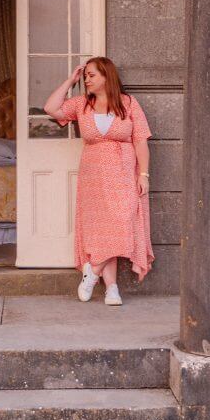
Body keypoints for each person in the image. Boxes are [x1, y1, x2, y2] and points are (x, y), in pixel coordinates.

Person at [43, 57, 154, 305]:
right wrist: (70, 81)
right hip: (93, 177)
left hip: (123, 174)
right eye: (85, 76)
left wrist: (143, 174)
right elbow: (51, 108)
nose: (87, 79)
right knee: (101, 231)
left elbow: (140, 141)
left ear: (107, 76)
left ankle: (92, 272)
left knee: (123, 223)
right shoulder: (82, 103)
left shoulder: (128, 103)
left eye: (91, 75)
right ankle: (111, 288)